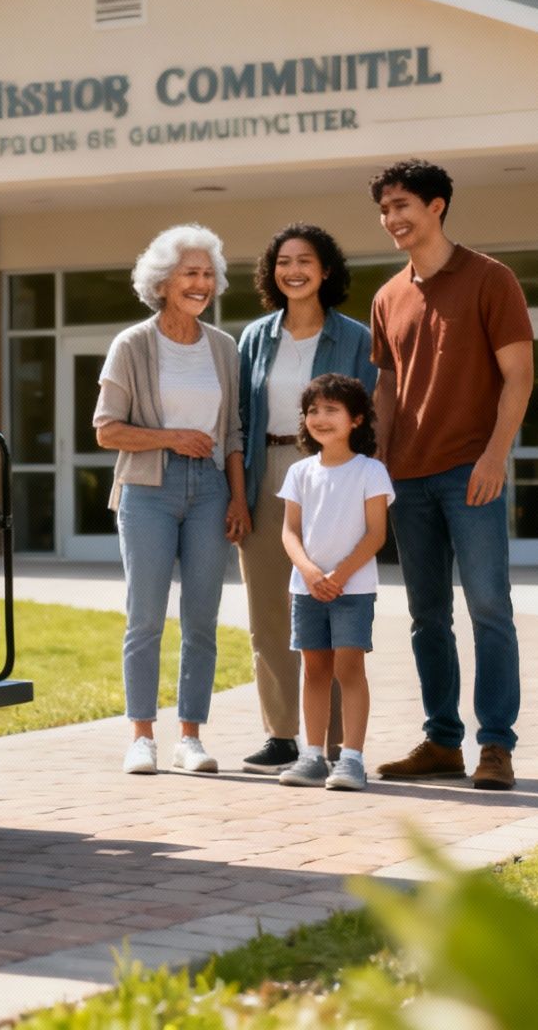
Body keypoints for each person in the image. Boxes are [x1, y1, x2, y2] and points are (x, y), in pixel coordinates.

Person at [366, 159, 533, 792]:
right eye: (384, 210)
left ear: (437, 206)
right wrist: (379, 463)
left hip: (471, 470)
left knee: (490, 607)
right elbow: (387, 384)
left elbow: (518, 374)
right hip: (407, 476)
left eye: (402, 205)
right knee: (426, 615)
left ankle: (496, 746)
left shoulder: (492, 279)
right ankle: (441, 741)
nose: (392, 219)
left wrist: (495, 456)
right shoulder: (388, 296)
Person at [93, 223, 249, 776]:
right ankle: (141, 736)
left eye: (208, 274)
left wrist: (238, 498)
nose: (201, 283)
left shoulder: (225, 348)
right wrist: (171, 437)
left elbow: (232, 432)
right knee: (146, 618)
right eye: (190, 273)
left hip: (209, 489)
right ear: (163, 282)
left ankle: (191, 736)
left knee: (202, 619)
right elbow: (106, 430)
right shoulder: (132, 345)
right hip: (148, 489)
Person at [233, 224, 378, 775]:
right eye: (283, 261)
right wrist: (237, 495)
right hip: (264, 470)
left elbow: (370, 417)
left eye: (305, 261)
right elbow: (238, 422)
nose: (293, 270)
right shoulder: (253, 338)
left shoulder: (356, 338)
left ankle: (340, 743)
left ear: (326, 270)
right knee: (268, 609)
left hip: (333, 472)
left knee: (333, 597)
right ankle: (282, 736)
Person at [272, 374, 393, 791]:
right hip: (307, 589)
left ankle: (351, 759)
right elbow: (290, 532)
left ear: (356, 419)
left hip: (352, 589)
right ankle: (312, 756)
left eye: (331, 410)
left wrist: (339, 575)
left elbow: (376, 534)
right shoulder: (300, 471)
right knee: (314, 669)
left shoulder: (370, 471)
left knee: (349, 668)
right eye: (312, 411)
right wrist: (309, 571)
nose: (319, 418)